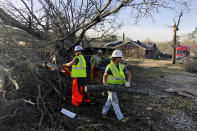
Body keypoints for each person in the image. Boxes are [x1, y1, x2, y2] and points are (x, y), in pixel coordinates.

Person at [102, 49, 132, 123]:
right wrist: (105, 85)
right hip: (110, 86)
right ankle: (121, 118)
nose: (121, 59)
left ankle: (103, 112)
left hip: (118, 86)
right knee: (115, 101)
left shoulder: (122, 66)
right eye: (120, 57)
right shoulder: (109, 67)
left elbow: (129, 74)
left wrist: (128, 82)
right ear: (115, 58)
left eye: (121, 57)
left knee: (110, 100)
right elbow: (104, 76)